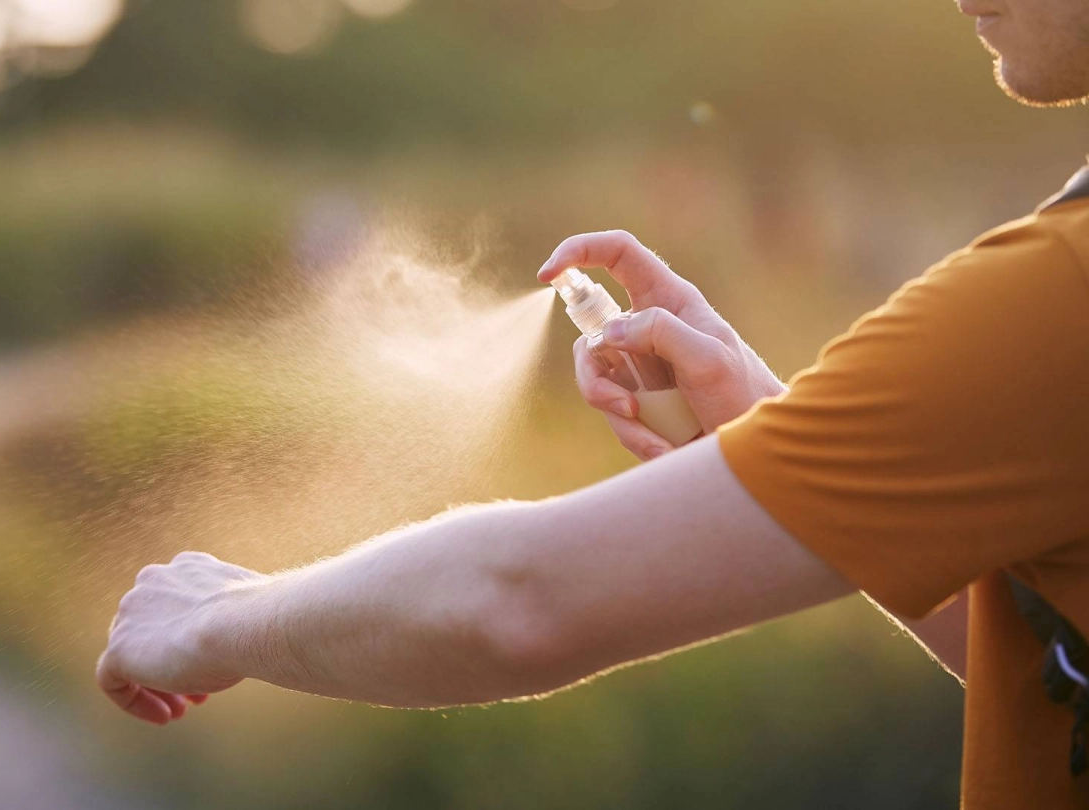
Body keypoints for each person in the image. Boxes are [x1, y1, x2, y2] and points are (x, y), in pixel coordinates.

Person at [96, 1, 1089, 806]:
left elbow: (518, 603)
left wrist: (217, 616)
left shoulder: (1055, 293)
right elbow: (1038, 651)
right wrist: (760, 427)